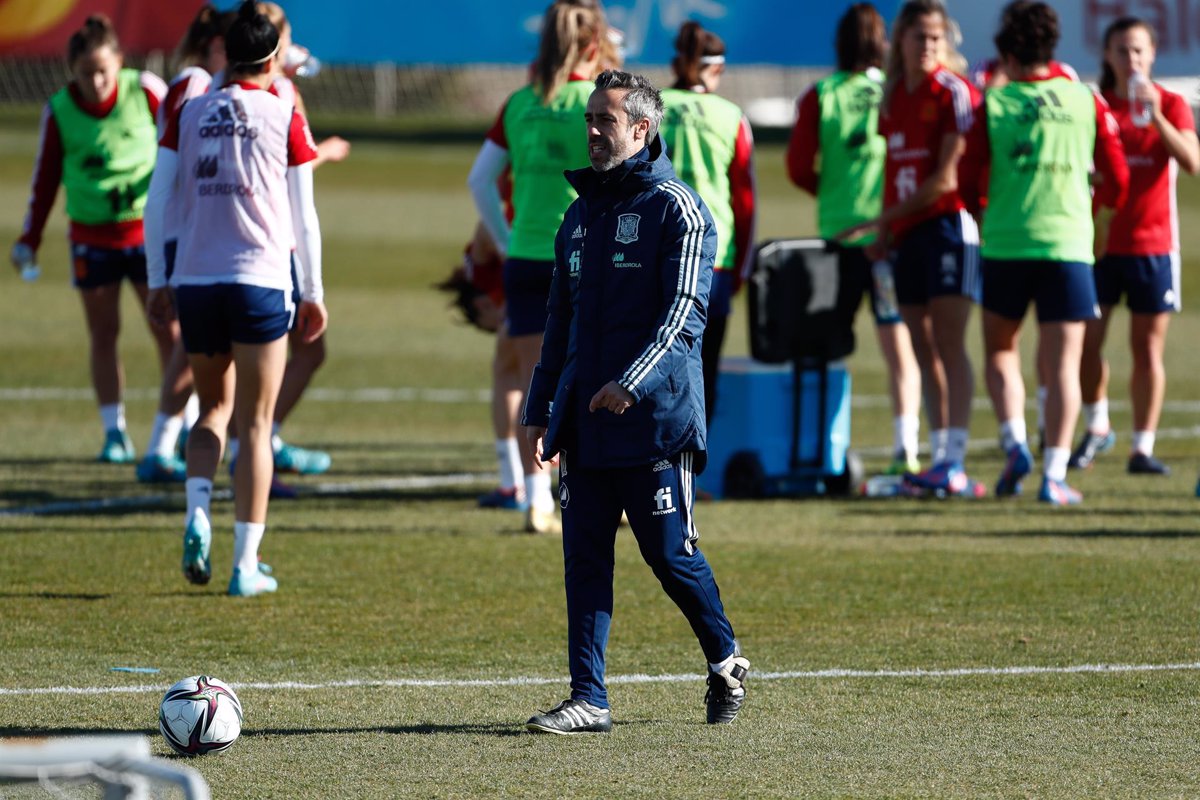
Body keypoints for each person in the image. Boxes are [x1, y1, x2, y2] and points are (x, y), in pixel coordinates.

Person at [522, 70, 748, 734]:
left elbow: (684, 317)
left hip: (655, 423)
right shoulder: (579, 215)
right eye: (589, 119)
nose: (593, 131)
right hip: (587, 425)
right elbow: (559, 322)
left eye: (607, 120)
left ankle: (726, 659)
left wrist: (632, 381)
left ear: (643, 129)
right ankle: (588, 698)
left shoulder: (679, 209)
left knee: (670, 557)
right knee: (584, 559)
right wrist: (541, 406)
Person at [144, 0, 327, 596]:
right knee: (256, 423)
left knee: (211, 412)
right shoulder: (283, 113)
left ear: (227, 55)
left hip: (196, 282)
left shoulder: (190, 110)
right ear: (272, 60)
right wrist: (313, 292)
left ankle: (197, 512)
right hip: (260, 281)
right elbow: (304, 215)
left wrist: (158, 279)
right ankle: (245, 565)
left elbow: (157, 200)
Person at [960, 0, 1128, 504]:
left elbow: (966, 178)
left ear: (1008, 55)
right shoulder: (1085, 99)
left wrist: (984, 212)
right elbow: (1118, 178)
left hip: (1007, 243)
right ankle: (1054, 475)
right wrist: (1093, 209)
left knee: (1000, 350)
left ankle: (1015, 442)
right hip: (1068, 245)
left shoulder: (994, 104)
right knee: (1063, 366)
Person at [468, 2, 607, 533]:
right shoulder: (597, 104)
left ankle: (538, 500)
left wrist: (506, 243)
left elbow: (480, 181)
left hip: (525, 257)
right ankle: (593, 493)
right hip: (582, 255)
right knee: (596, 375)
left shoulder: (520, 102)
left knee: (535, 380)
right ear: (593, 45)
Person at [10, 15, 171, 465]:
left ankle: (178, 423)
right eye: (86, 74)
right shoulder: (60, 110)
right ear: (72, 72)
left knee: (170, 331)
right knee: (103, 333)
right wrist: (29, 238)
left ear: (119, 61)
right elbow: (45, 180)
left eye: (103, 71)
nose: (96, 82)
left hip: (149, 236)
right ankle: (113, 432)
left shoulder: (147, 91)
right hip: (92, 239)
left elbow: (182, 147)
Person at [837, 0, 982, 497]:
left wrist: (882, 221)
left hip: (947, 228)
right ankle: (939, 458)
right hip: (906, 236)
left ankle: (955, 459)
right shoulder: (893, 95)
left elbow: (945, 179)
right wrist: (886, 233)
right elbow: (894, 173)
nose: (928, 46)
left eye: (936, 38)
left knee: (949, 342)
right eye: (919, 36)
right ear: (900, 40)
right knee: (921, 346)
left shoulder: (953, 92)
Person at [788, 2, 923, 475]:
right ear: (884, 43)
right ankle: (906, 447)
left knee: (826, 347)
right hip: (888, 239)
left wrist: (832, 193)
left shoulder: (820, 95)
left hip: (837, 240)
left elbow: (798, 167)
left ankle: (820, 449)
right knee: (898, 344)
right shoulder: (896, 92)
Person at [1072, 16, 1199, 476]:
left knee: (1147, 350)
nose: (1131, 59)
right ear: (1107, 55)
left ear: (1153, 54)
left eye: (1139, 50)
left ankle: (1141, 448)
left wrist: (1157, 117)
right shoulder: (1094, 105)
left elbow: (1192, 162)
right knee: (1086, 343)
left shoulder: (1170, 103)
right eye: (1122, 50)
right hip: (1100, 245)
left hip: (1154, 245)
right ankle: (1097, 425)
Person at [134, 4, 238, 485]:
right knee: (190, 346)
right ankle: (161, 445)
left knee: (196, 346)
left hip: (192, 230)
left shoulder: (200, 83)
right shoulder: (195, 83)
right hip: (185, 232)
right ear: (217, 46)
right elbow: (186, 158)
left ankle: (176, 439)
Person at [657, 21, 755, 429]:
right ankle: (693, 464)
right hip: (713, 259)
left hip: (656, 253)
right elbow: (745, 200)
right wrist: (741, 266)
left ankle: (651, 459)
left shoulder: (651, 107)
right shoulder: (731, 116)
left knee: (650, 364)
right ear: (716, 69)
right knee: (702, 368)